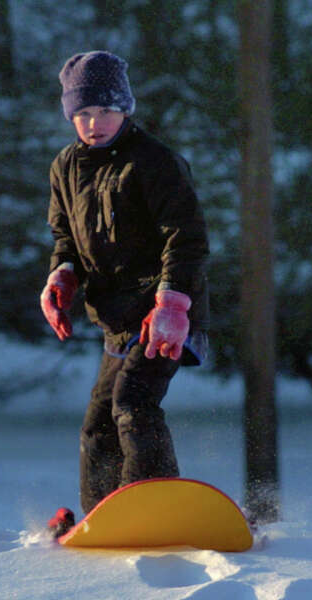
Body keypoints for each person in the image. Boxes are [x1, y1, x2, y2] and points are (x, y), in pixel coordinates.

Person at [40, 50, 210, 536]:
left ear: (126, 109)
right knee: (98, 428)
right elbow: (64, 239)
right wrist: (63, 277)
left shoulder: (155, 163)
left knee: (133, 404)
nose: (94, 123)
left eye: (105, 111)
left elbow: (188, 238)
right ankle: (104, 521)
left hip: (166, 314)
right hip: (116, 319)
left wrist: (173, 304)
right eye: (83, 114)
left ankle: (158, 514)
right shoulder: (65, 167)